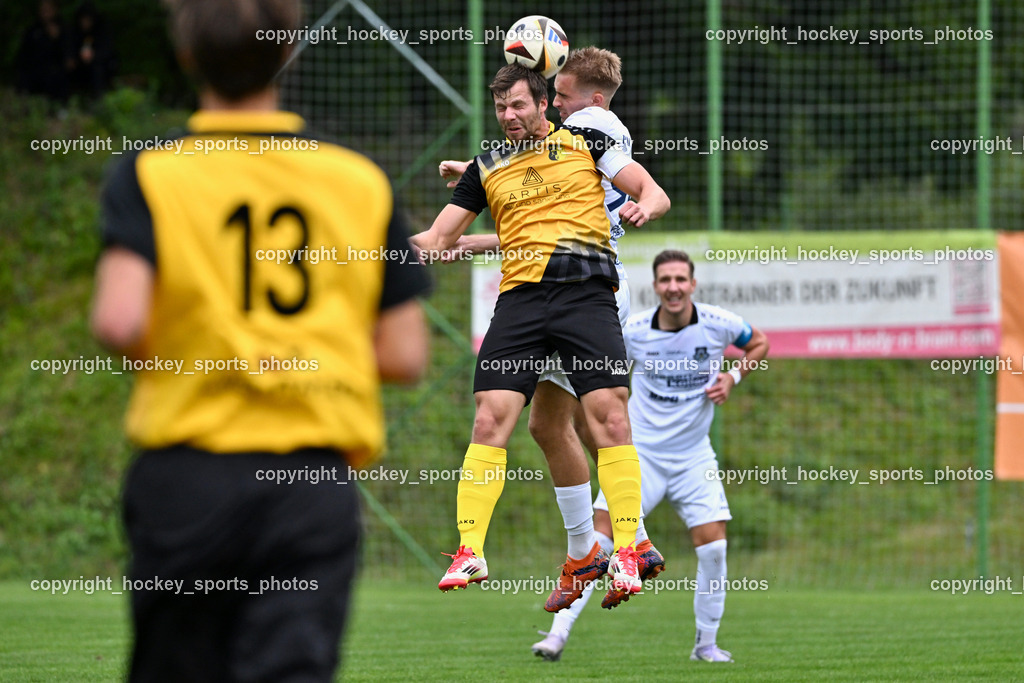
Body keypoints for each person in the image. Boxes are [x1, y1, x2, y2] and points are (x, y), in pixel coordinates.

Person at [90, 1, 430, 680]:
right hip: (308, 485)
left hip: (188, 473)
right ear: (288, 48)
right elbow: (403, 353)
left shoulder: (152, 171)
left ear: (186, 55)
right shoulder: (359, 180)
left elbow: (119, 320)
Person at [411, 63, 670, 602]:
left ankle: (625, 550)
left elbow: (647, 186)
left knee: (609, 417)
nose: (509, 116)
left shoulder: (587, 139)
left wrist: (647, 204)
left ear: (544, 104)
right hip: (521, 303)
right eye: (501, 107)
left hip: (586, 295)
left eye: (519, 105)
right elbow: (438, 238)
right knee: (492, 416)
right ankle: (471, 552)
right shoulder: (486, 167)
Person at [533, 249, 769, 662]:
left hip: (695, 458)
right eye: (665, 280)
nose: (673, 288)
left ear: (692, 284)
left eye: (681, 280)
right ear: (656, 286)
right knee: (600, 541)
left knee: (714, 549)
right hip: (641, 457)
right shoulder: (635, 330)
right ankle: (556, 635)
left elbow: (760, 343)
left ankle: (706, 646)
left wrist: (733, 376)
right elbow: (598, 374)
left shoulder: (719, 324)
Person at [15, 0, 75, 103]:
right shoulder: (33, 29)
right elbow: (23, 54)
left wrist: (57, 39)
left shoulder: (64, 29)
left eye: (48, 10)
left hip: (55, 69)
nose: (45, 13)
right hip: (34, 68)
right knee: (23, 77)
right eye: (42, 10)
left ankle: (60, 107)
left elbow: (68, 55)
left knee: (59, 76)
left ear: (55, 10)